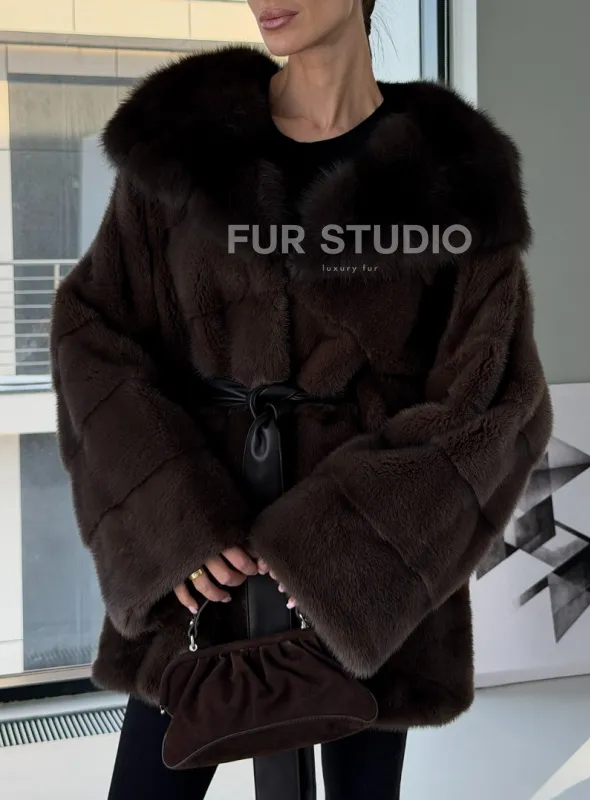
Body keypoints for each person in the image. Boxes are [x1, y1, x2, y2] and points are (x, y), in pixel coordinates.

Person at [50, 0, 552, 798]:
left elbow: (494, 397)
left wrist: (339, 552)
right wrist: (171, 519)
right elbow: (93, 335)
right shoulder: (181, 145)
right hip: (203, 572)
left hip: (368, 591)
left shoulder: (454, 171)